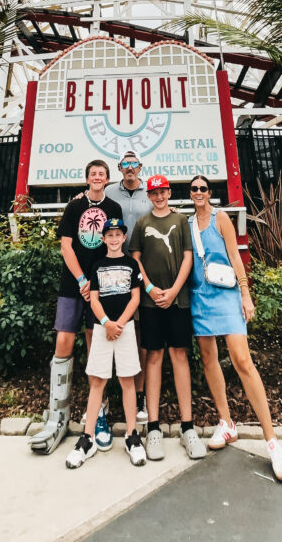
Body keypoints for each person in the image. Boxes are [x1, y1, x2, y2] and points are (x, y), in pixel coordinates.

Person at [187, 175, 282, 482]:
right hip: (200, 298)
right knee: (208, 359)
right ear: (189, 194)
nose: (199, 193)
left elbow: (235, 257)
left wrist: (246, 295)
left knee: (242, 361)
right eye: (194, 189)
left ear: (210, 192)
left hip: (226, 295)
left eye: (203, 188)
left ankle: (271, 441)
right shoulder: (188, 223)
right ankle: (226, 421)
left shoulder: (221, 218)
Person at [30, 159, 123, 455]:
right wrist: (82, 278)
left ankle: (99, 414)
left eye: (101, 174)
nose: (97, 177)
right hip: (73, 284)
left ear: (107, 179)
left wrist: (95, 281)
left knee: (95, 344)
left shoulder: (113, 209)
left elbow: (115, 244)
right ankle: (57, 412)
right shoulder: (74, 208)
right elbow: (66, 246)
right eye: (92, 174)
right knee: (64, 340)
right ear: (87, 179)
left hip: (102, 285)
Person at [130, 174, 207, 462]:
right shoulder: (142, 224)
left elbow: (188, 257)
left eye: (163, 192)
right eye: (154, 193)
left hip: (178, 301)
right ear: (148, 196)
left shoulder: (181, 221)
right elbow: (135, 259)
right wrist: (149, 288)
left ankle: (188, 427)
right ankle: (153, 428)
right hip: (151, 304)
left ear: (169, 192)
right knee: (153, 357)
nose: (159, 196)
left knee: (179, 355)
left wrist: (174, 290)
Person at [66, 218, 147, 469]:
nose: (113, 239)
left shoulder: (132, 264)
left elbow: (135, 297)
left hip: (125, 328)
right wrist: (106, 322)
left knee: (127, 380)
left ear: (124, 238)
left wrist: (119, 323)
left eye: (118, 235)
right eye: (109, 235)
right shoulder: (98, 265)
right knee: (98, 381)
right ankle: (87, 438)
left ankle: (132, 437)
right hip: (103, 329)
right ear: (103, 239)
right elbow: (94, 298)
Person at [104, 149, 152, 423]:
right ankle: (112, 394)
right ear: (120, 167)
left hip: (144, 266)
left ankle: (140, 393)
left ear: (140, 167)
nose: (131, 167)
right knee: (113, 327)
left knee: (139, 332)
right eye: (126, 164)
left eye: (134, 163)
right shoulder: (110, 191)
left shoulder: (152, 191)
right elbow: (92, 201)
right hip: (115, 265)